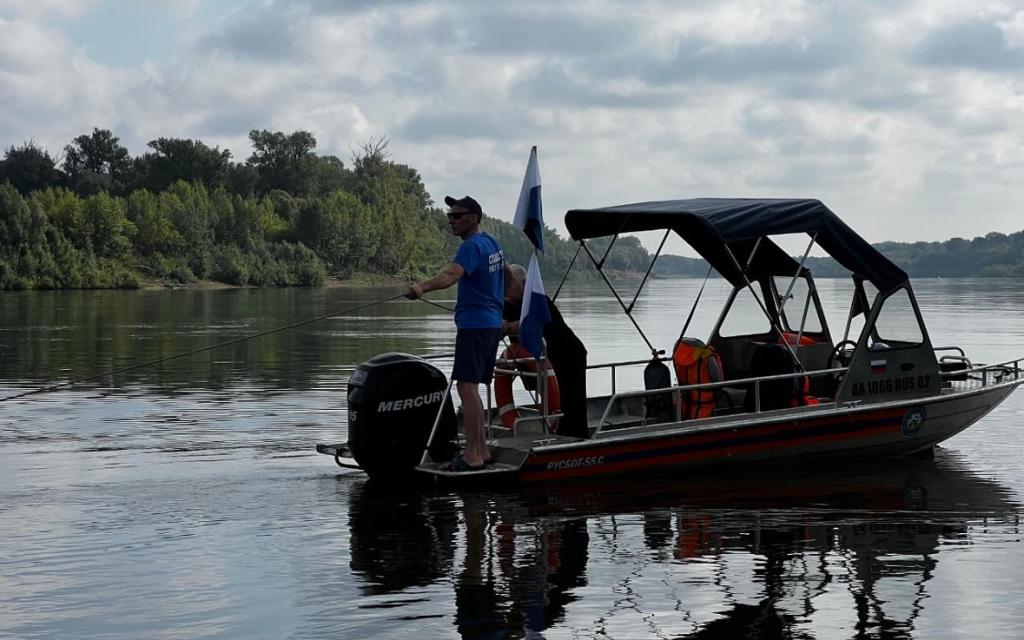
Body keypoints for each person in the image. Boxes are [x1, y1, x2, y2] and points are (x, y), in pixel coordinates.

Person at [406, 195, 504, 470]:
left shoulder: (471, 247)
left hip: (475, 325)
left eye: (457, 216)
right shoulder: (492, 243)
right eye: (450, 215)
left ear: (473, 217)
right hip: (491, 324)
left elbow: (451, 275)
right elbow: (507, 276)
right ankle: (482, 450)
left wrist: (421, 288)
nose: (452, 220)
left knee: (466, 387)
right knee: (473, 387)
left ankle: (472, 454)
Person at [502, 264, 589, 439]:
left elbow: (532, 321)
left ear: (525, 284)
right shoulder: (506, 304)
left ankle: (577, 438)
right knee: (551, 399)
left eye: (511, 283)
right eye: (504, 283)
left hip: (569, 355)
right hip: (542, 360)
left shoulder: (537, 300)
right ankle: (552, 433)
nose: (506, 288)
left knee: (571, 401)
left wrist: (509, 326)